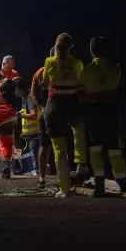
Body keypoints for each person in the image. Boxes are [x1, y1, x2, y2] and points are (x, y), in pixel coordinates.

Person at [80, 36, 126, 196]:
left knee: (95, 149)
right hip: (110, 112)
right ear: (105, 50)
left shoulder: (87, 71)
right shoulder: (115, 69)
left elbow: (81, 91)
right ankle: (123, 183)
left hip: (93, 113)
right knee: (115, 148)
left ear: (91, 51)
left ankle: (100, 184)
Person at [43, 33, 87, 197]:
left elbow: (45, 80)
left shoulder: (49, 62)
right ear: (71, 47)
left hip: (54, 106)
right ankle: (81, 164)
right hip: (72, 104)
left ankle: (64, 189)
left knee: (59, 149)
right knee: (78, 130)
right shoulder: (76, 62)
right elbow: (81, 82)